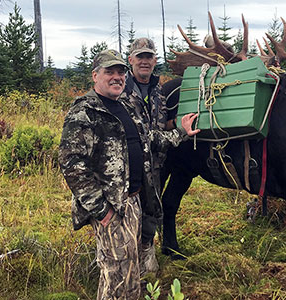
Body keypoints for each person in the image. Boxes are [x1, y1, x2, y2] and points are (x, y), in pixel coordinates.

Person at [59, 49, 199, 300]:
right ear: (95, 75)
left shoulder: (126, 107)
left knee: (132, 272)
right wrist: (101, 210)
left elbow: (151, 140)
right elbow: (71, 164)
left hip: (135, 200)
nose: (116, 77)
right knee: (116, 275)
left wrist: (181, 132)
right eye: (109, 72)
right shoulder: (85, 111)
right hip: (112, 206)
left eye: (120, 72)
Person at [125, 38, 174, 276]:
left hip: (154, 166)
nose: (144, 61)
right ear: (130, 60)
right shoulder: (120, 88)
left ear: (155, 61)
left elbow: (160, 126)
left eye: (149, 57)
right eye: (140, 57)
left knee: (151, 211)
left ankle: (147, 253)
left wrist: (180, 124)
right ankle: (125, 262)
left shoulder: (158, 91)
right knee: (126, 215)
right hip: (127, 168)